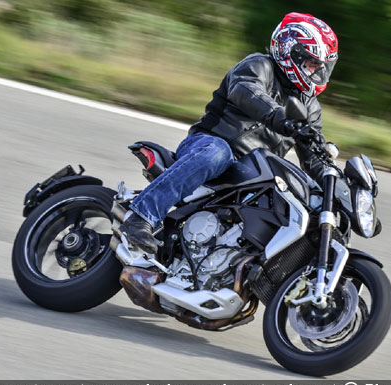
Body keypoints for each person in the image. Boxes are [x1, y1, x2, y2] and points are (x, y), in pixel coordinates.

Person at [121, 12, 339, 254]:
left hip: (254, 174)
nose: (317, 71)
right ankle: (141, 215)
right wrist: (282, 119)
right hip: (208, 145)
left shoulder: (311, 107)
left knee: (298, 198)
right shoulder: (260, 65)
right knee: (218, 152)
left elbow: (313, 160)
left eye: (322, 66)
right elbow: (247, 92)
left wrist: (339, 187)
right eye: (312, 63)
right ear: (291, 52)